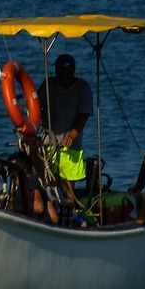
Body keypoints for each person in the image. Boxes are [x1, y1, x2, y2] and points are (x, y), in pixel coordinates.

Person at [38, 53, 94, 198]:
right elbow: (34, 108)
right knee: (48, 184)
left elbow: (84, 115)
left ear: (72, 70)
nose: (60, 73)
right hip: (49, 143)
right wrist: (44, 114)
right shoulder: (48, 85)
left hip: (70, 147)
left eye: (63, 70)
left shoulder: (83, 88)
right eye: (58, 70)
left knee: (67, 188)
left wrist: (71, 136)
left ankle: (70, 211)